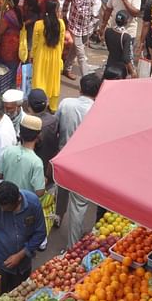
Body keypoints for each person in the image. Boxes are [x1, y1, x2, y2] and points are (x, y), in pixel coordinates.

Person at [57, 73, 101, 247]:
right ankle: (72, 245)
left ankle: (57, 217)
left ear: (81, 89)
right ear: (98, 92)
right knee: (78, 206)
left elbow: (56, 126)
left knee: (61, 191)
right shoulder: (99, 110)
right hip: (84, 165)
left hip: (63, 157)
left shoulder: (66, 103)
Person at [18, 0, 65, 111]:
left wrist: (32, 56)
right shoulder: (61, 24)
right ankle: (53, 107)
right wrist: (59, 58)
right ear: (56, 10)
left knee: (39, 79)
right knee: (53, 80)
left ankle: (37, 104)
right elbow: (62, 43)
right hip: (55, 56)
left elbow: (35, 43)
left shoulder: (39, 24)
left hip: (41, 56)